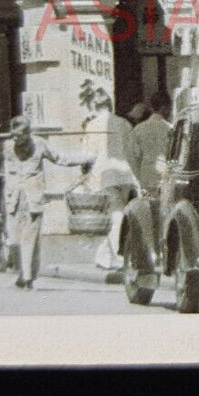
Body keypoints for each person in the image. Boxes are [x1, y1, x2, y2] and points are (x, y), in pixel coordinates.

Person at [3, 115, 94, 290]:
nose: (15, 139)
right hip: (13, 199)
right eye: (12, 135)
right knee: (14, 240)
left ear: (28, 133)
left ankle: (27, 278)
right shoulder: (7, 147)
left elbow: (61, 158)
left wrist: (86, 159)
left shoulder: (39, 145)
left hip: (33, 199)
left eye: (19, 135)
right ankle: (22, 273)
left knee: (30, 239)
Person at [81, 87, 137, 270]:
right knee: (116, 216)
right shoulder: (124, 124)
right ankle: (103, 255)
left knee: (114, 217)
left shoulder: (92, 126)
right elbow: (133, 151)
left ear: (95, 106)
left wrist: (84, 175)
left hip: (104, 176)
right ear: (110, 104)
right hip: (125, 175)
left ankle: (112, 257)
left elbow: (88, 155)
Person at [126, 90, 173, 194]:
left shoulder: (138, 129)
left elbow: (131, 157)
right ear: (164, 108)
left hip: (146, 177)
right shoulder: (171, 129)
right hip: (166, 178)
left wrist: (139, 177)